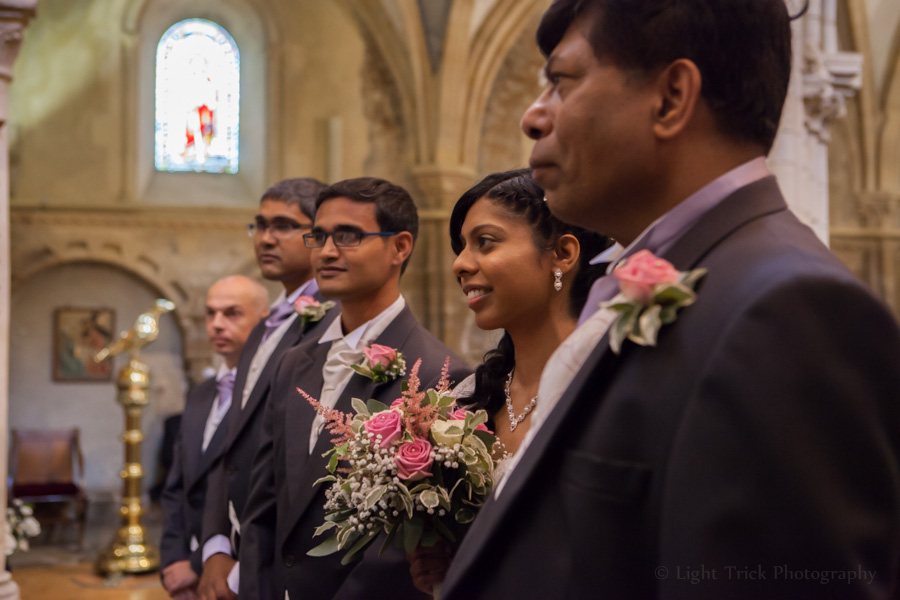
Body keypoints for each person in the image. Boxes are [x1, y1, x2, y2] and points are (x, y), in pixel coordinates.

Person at [443, 2, 900, 599]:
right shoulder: (672, 276)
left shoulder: (787, 311)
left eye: (562, 82)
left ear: (671, 97)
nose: (534, 117)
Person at [238, 177, 471, 600]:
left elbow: (411, 539)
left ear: (400, 247)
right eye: (320, 236)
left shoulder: (441, 374)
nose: (326, 252)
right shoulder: (295, 362)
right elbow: (265, 502)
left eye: (347, 236)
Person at [407, 168, 611, 595]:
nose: (459, 264)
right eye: (461, 247)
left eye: (485, 241)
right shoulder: (465, 401)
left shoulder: (609, 387)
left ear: (563, 253)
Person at [198, 178, 335, 600]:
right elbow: (232, 442)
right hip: (239, 542)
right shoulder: (262, 327)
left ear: (319, 236)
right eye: (259, 225)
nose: (266, 238)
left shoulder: (334, 323)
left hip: (285, 549)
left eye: (282, 226)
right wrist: (217, 542)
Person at [160, 275, 269, 600]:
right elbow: (177, 486)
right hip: (183, 569)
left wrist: (198, 564)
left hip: (235, 568)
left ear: (264, 321)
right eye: (211, 313)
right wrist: (173, 560)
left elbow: (259, 494)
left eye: (232, 313)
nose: (217, 324)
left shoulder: (269, 395)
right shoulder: (200, 394)